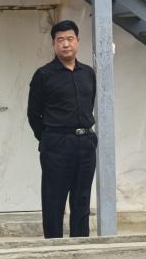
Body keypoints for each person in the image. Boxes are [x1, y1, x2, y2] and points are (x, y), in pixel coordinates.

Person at [27, 20, 97, 239]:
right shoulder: (44, 75)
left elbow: (90, 103)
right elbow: (33, 114)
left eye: (70, 39)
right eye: (60, 40)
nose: (66, 44)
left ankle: (80, 245)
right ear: (54, 44)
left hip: (85, 143)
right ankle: (54, 247)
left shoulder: (88, 73)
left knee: (82, 200)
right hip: (57, 145)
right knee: (54, 200)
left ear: (78, 41)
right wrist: (49, 137)